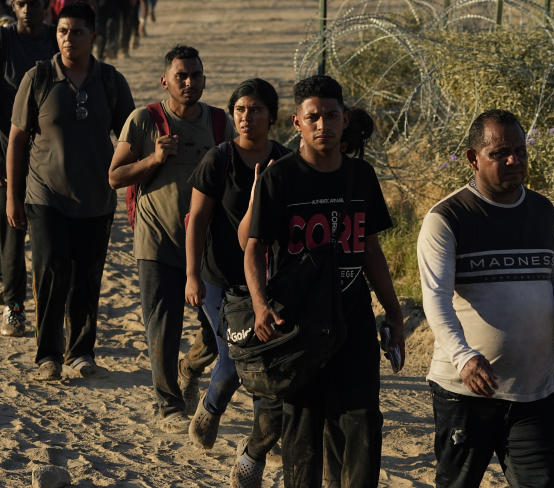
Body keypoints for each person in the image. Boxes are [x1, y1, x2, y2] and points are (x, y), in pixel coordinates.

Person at [418, 109, 554, 488]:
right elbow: (435, 299)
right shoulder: (447, 218)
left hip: (534, 391)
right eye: (501, 153)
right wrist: (465, 357)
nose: (514, 161)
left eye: (521, 152)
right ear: (474, 158)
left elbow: (552, 273)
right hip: (466, 391)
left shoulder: (541, 211)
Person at [245, 74, 405, 488]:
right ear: (296, 122)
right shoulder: (279, 178)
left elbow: (370, 251)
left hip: (353, 321)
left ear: (345, 118)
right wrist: (261, 305)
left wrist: (394, 313)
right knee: (302, 432)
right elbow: (253, 247)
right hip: (299, 327)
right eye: (313, 117)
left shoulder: (361, 177)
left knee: (363, 423)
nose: (323, 125)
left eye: (331, 116)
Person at [109, 45, 234, 433]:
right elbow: (115, 175)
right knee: (163, 326)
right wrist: (153, 160)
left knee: (218, 331)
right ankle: (168, 403)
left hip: (206, 244)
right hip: (156, 239)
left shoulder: (218, 123)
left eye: (196, 75)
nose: (189, 82)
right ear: (165, 81)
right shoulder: (145, 120)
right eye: (181, 76)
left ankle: (190, 367)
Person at [6, 1, 135, 378]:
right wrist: (13, 195)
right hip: (45, 195)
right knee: (50, 272)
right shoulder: (39, 78)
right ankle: (48, 355)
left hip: (96, 198)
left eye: (77, 32)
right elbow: (16, 138)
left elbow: (130, 137)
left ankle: (81, 352)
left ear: (93, 36)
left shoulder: (110, 81)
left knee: (87, 276)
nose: (68, 39)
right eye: (62, 31)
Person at [184, 79, 289, 483]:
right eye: (240, 109)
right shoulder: (219, 159)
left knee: (271, 360)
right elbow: (197, 222)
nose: (247, 117)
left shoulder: (283, 160)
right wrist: (192, 275)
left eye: (256, 109)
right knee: (231, 359)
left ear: (272, 116)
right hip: (218, 279)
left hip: (263, 281)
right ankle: (209, 411)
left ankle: (264, 439)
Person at [0, 0, 59, 333]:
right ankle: (13, 305)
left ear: (46, 4)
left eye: (34, 3)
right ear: (12, 5)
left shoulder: (59, 40)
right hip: (6, 156)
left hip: (49, 159)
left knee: (49, 238)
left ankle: (50, 309)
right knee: (12, 232)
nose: (27, 9)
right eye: (21, 3)